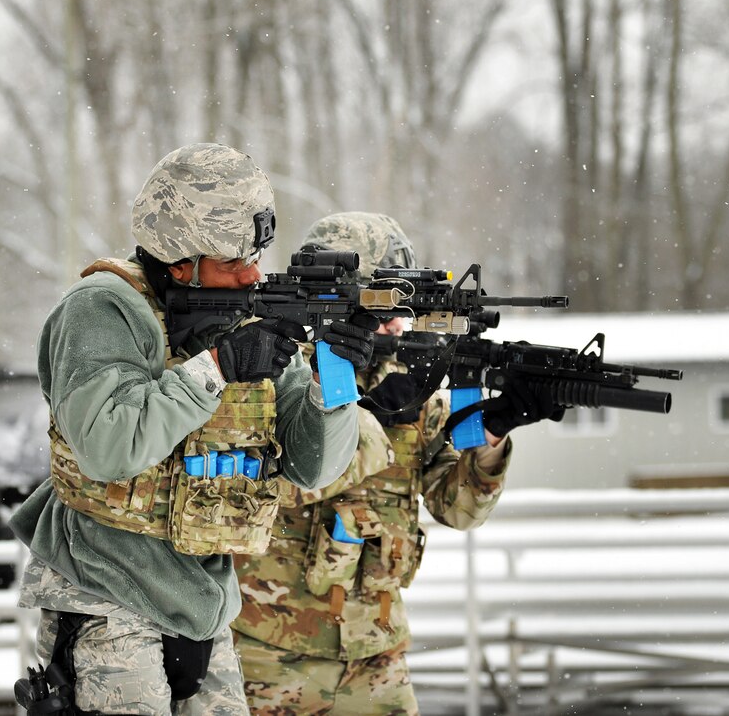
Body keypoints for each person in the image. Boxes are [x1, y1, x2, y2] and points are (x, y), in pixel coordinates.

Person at [9, 145, 378, 715]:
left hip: (205, 602)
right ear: (181, 260)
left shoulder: (246, 315)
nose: (253, 275)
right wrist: (219, 367)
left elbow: (315, 466)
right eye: (234, 261)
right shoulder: (102, 311)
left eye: (255, 256)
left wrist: (336, 378)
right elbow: (110, 446)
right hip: (103, 592)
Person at [231, 212, 564, 715]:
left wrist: (495, 429)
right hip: (270, 655)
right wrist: (377, 423)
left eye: (402, 307)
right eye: (380, 306)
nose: (394, 324)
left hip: (376, 656)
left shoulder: (407, 379)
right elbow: (267, 489)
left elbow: (458, 509)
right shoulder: (273, 371)